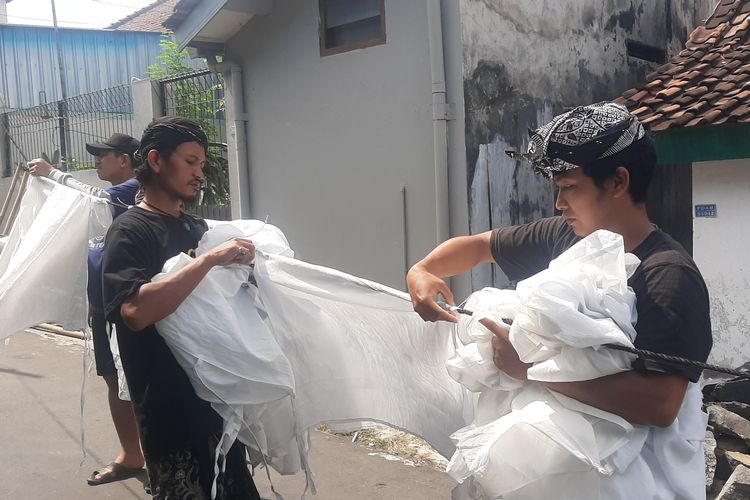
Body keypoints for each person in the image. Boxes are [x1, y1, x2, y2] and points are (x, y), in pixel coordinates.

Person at [407, 102, 712, 496]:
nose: (559, 203)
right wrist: (423, 270)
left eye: (570, 188)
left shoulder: (667, 276)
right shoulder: (566, 238)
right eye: (558, 189)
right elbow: (479, 247)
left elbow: (660, 404)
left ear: (618, 182)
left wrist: (530, 369)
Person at [101, 116, 261, 499]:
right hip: (167, 410)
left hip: (217, 400)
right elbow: (136, 312)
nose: (199, 173)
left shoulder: (197, 229)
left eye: (202, 165)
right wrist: (206, 262)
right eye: (191, 161)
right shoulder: (130, 231)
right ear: (155, 160)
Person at [27, 133, 146, 486]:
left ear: (125, 160)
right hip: (104, 305)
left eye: (103, 155)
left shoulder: (133, 190)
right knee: (113, 380)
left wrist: (53, 173)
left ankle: (158, 459)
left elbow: (90, 199)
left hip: (127, 305)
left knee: (140, 382)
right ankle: (132, 454)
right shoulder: (118, 194)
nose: (96, 161)